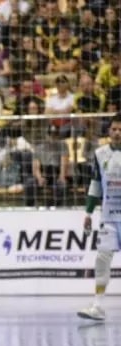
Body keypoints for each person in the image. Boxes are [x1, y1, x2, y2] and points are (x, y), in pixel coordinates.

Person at [79, 113, 121, 321]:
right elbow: (95, 184)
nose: (117, 132)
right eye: (114, 129)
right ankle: (97, 305)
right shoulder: (100, 153)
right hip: (109, 217)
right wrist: (88, 213)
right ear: (109, 131)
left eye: (120, 129)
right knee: (102, 259)